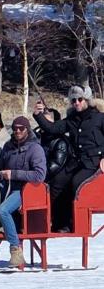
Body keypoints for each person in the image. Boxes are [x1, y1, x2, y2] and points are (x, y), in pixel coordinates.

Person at [0, 116, 46, 268]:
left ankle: (15, 250)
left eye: (21, 128)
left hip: (25, 190)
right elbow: (0, 167)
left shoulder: (35, 149)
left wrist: (13, 174)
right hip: (7, 185)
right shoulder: (8, 146)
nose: (17, 131)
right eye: (15, 128)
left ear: (27, 129)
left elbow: (39, 175)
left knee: (4, 210)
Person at [34, 85, 104, 232]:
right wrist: (38, 115)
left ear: (87, 100)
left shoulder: (99, 118)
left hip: (93, 163)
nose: (76, 103)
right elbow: (52, 128)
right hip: (75, 162)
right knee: (57, 184)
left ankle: (75, 223)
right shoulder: (71, 120)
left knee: (76, 183)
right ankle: (60, 223)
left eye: (80, 99)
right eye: (73, 101)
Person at [34, 108, 70, 182]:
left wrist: (36, 172)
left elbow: (54, 166)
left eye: (46, 122)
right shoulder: (35, 136)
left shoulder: (60, 143)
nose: (43, 124)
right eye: (42, 121)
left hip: (48, 179)